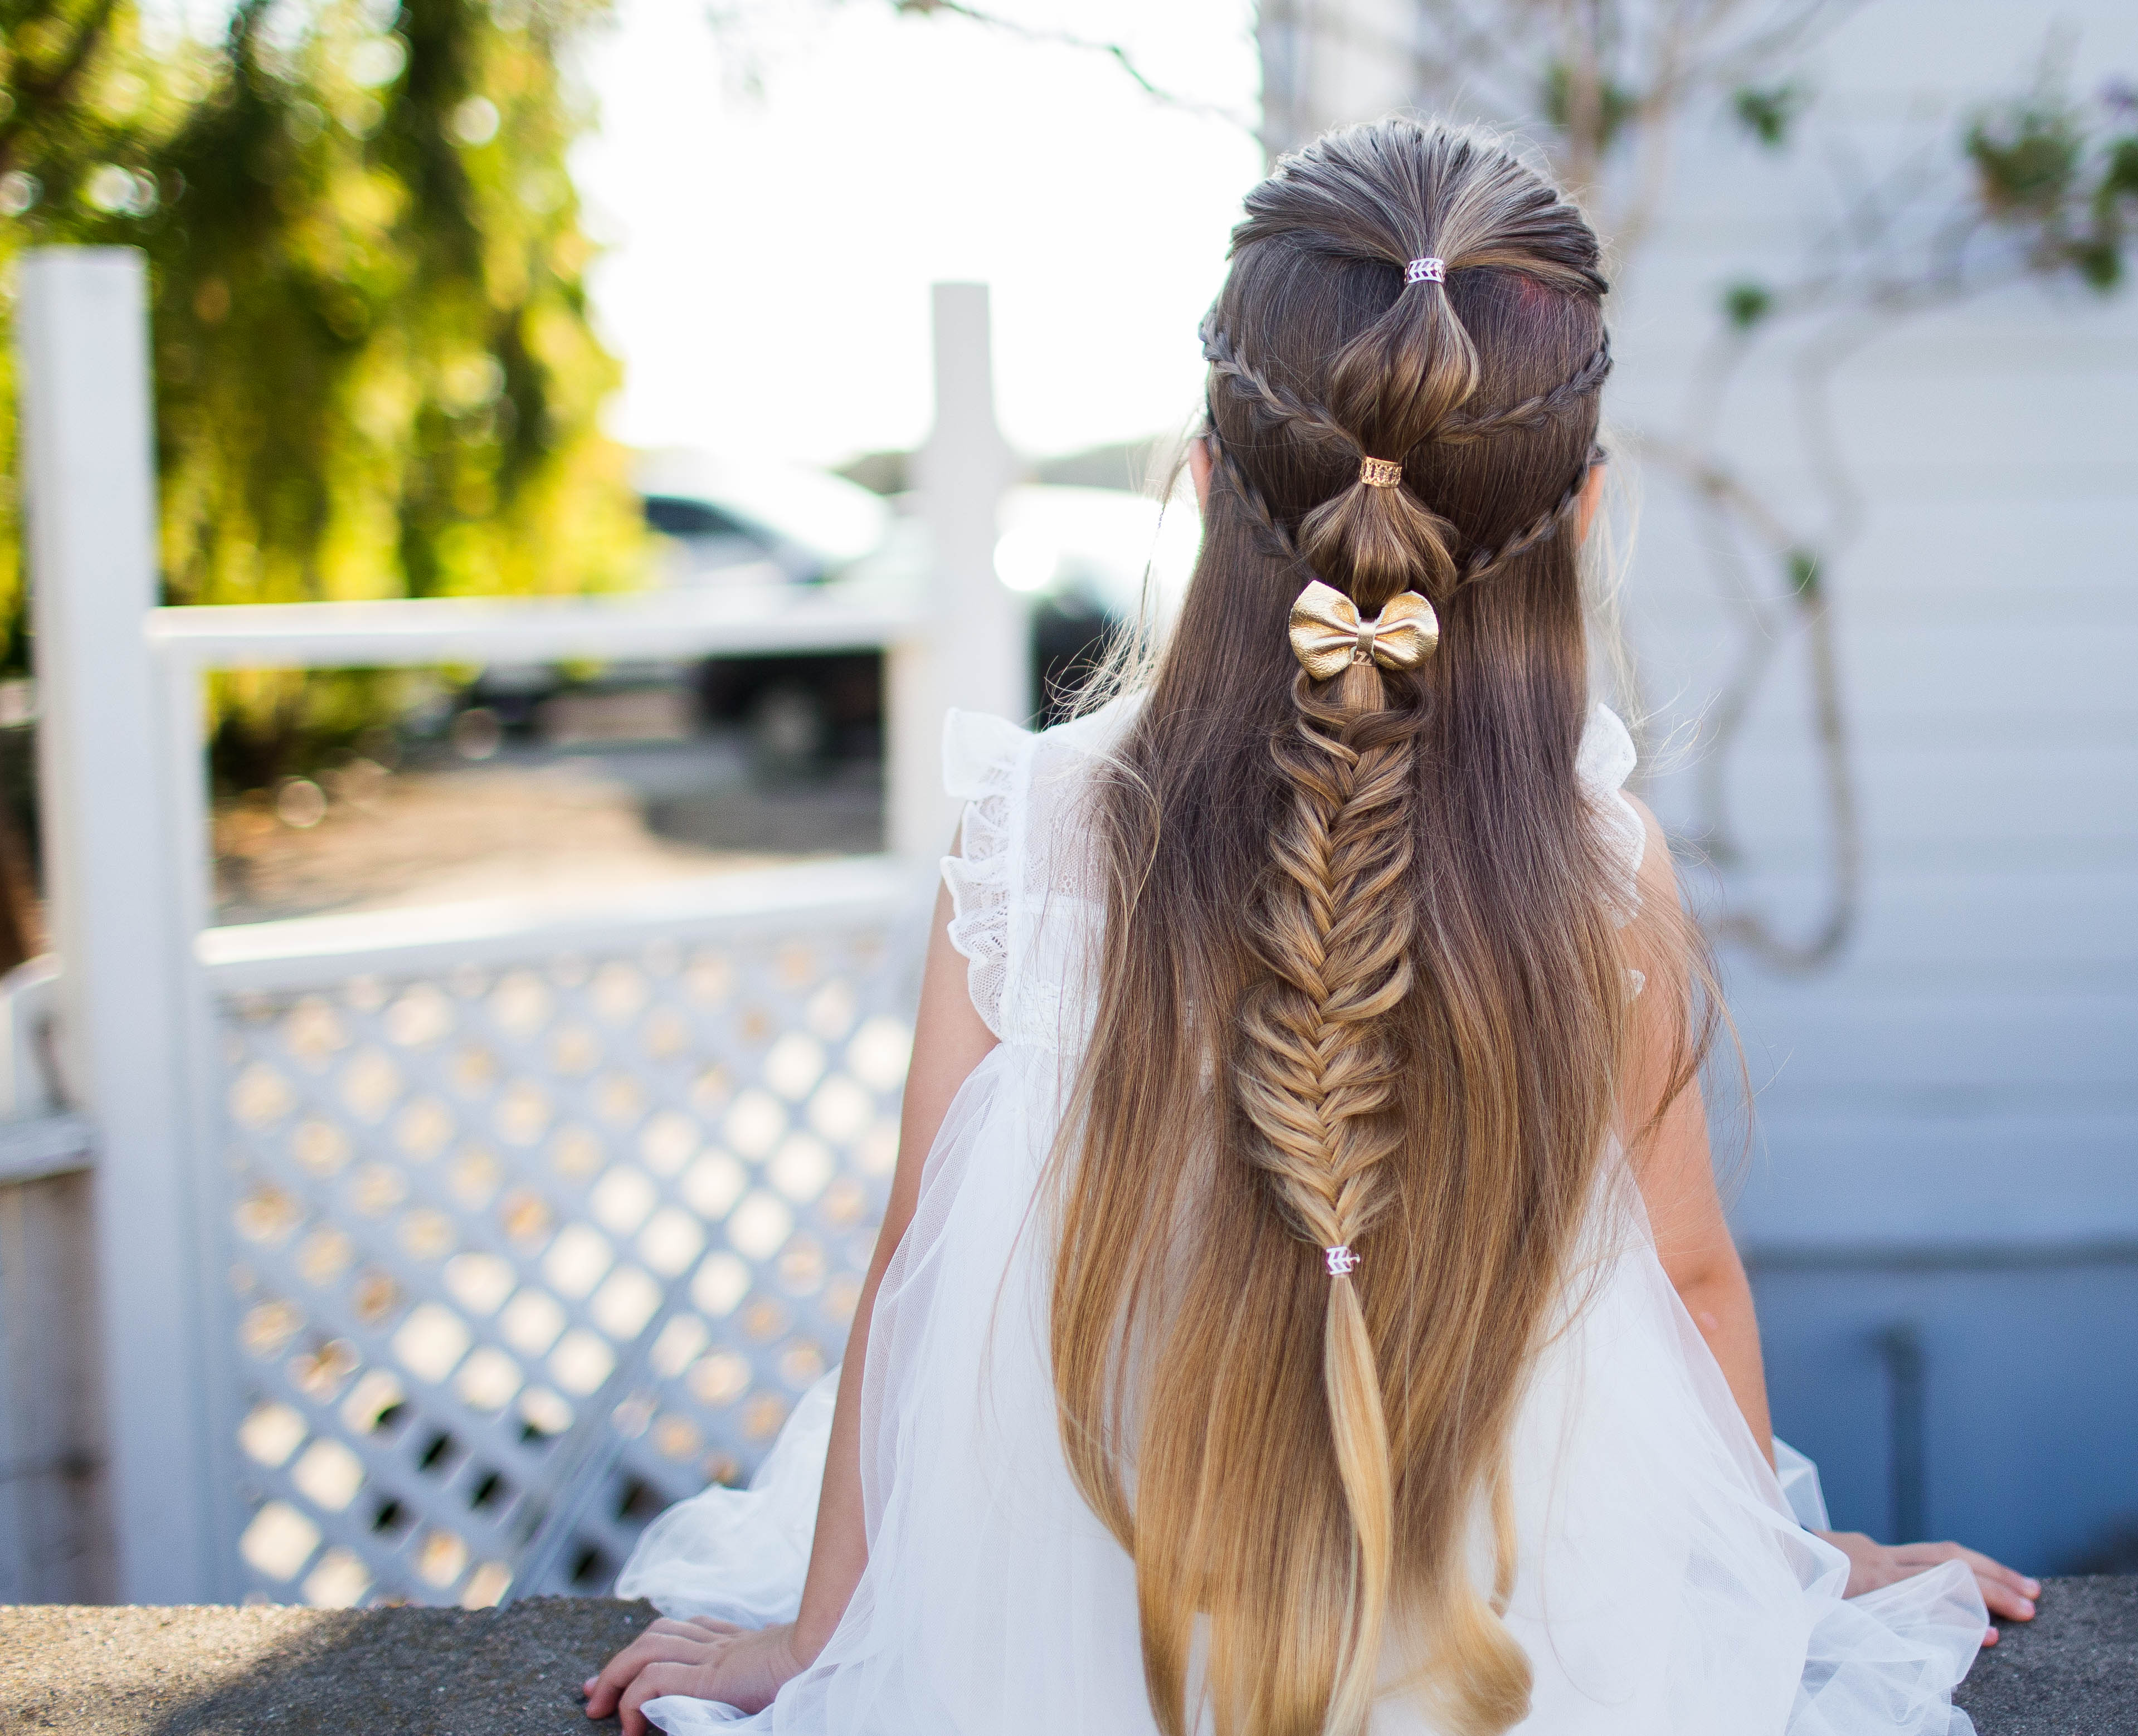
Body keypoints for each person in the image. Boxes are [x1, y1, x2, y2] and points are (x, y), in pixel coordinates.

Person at [582, 119, 2038, 1736]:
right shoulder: (1592, 863)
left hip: (1081, 1623)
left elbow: (915, 1264)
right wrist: (1770, 1568)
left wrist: (826, 1633)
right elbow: (1687, 1275)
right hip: (1503, 1633)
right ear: (1585, 510)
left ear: (1202, 478)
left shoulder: (1034, 836)